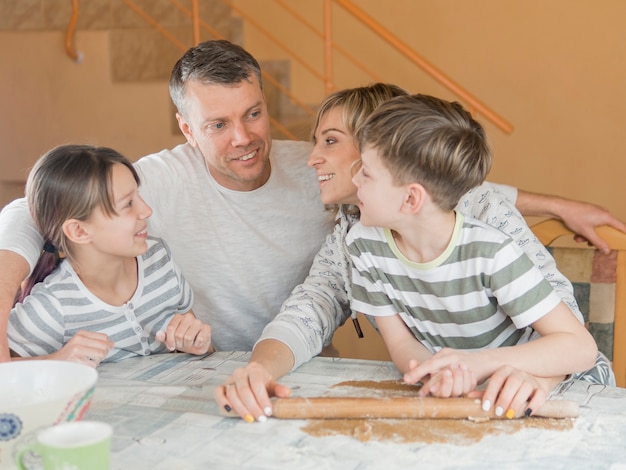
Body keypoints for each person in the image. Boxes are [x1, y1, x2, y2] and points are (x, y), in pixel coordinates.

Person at [0, 40, 624, 364]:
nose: (243, 138)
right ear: (187, 131)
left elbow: (443, 187)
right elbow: (36, 210)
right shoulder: (153, 183)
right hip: (212, 365)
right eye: (217, 125)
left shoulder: (324, 170)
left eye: (253, 113)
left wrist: (558, 205)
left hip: (309, 366)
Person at [216, 83, 618, 423]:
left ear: (378, 144)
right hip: (469, 396)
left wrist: (531, 378)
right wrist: (259, 369)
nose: (312, 158)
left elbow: (568, 333)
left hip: (557, 384)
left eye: (331, 140)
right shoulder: (355, 236)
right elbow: (311, 307)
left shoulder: (481, 216)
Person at [346, 93, 604, 417]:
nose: (354, 179)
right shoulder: (364, 244)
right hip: (482, 395)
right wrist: (440, 372)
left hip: (558, 379)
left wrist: (480, 364)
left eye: (366, 173)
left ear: (411, 199)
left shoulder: (490, 253)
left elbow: (581, 349)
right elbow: (400, 344)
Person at [7, 145, 212, 367]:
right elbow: (9, 374)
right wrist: (55, 361)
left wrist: (200, 345)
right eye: (128, 203)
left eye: (138, 195)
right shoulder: (53, 305)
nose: (146, 210)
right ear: (80, 231)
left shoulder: (159, 258)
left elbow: (201, 344)